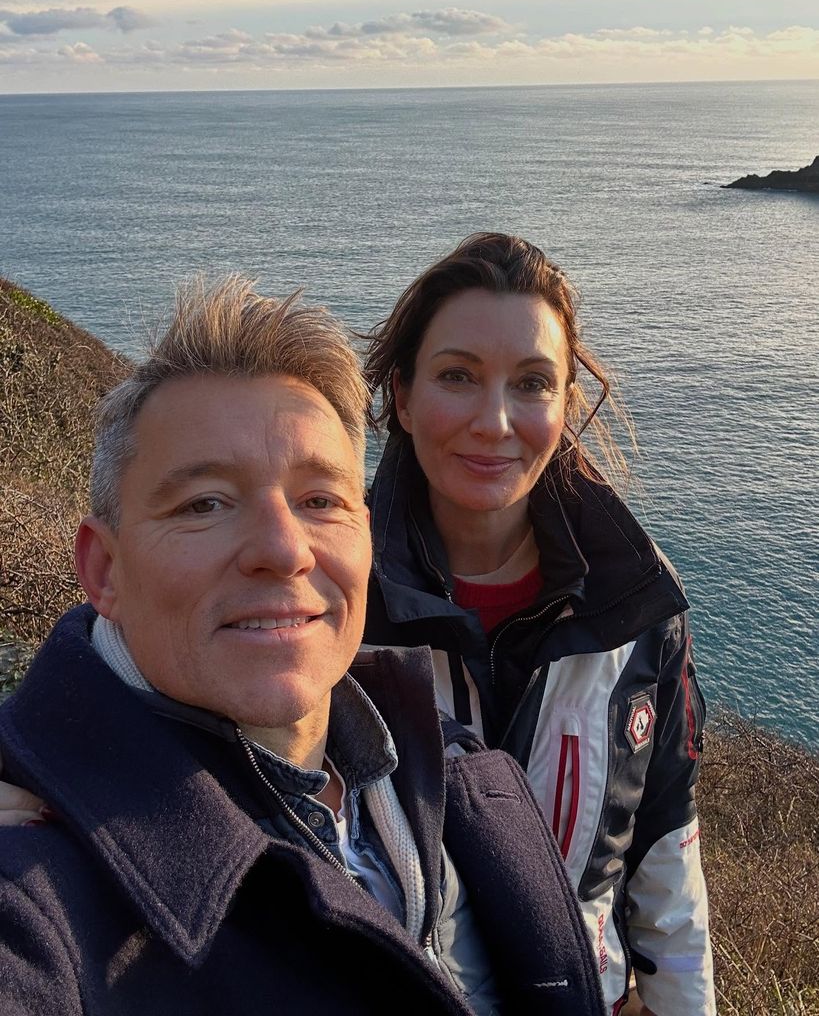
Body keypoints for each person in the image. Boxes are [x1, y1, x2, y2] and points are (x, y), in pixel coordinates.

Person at [0, 277, 605, 1015]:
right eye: (205, 504)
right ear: (104, 569)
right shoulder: (33, 883)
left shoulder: (451, 769)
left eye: (320, 500)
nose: (284, 550)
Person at [363, 233, 715, 1016]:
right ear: (402, 395)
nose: (494, 421)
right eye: (457, 376)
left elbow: (663, 844)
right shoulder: (332, 598)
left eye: (530, 383)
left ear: (564, 403)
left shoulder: (636, 601)